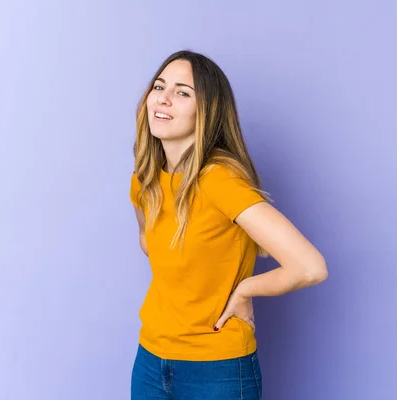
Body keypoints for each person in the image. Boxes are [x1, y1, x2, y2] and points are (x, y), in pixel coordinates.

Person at [129, 50, 328, 400]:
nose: (164, 98)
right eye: (159, 86)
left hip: (216, 369)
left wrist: (244, 290)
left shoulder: (219, 180)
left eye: (183, 92)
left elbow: (310, 267)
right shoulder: (145, 180)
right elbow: (151, 243)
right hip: (150, 361)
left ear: (206, 111)